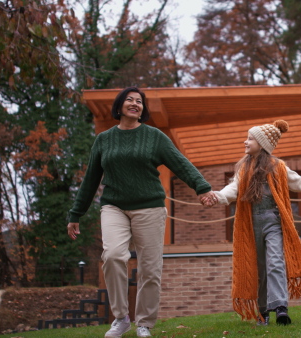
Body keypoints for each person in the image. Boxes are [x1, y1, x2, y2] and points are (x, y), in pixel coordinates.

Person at [67, 87, 217, 338]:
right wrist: (75, 214)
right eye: (130, 100)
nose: (135, 104)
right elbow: (91, 179)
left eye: (139, 101)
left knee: (150, 267)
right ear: (119, 105)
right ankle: (121, 318)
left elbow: (180, 163)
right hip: (114, 206)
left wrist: (201, 187)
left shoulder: (154, 137)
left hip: (149, 207)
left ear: (143, 110)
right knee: (113, 256)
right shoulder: (104, 140)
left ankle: (144, 323)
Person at [206, 120, 301, 325]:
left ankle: (280, 307)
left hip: (273, 221)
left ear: (262, 144)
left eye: (250, 139)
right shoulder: (243, 169)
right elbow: (232, 190)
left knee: (275, 263)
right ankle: (263, 311)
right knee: (259, 268)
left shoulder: (278, 167)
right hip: (250, 224)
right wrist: (217, 197)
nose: (245, 142)